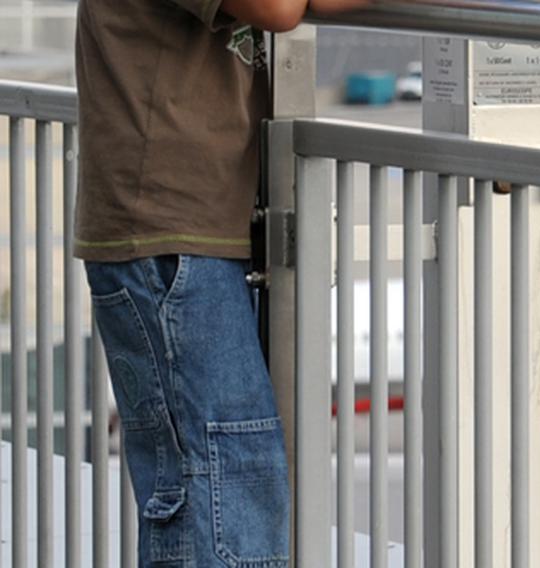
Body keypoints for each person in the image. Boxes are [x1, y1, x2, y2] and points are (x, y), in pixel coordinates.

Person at [74, 0, 367, 564]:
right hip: (168, 235)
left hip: (183, 232)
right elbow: (279, 8)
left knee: (212, 491)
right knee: (223, 493)